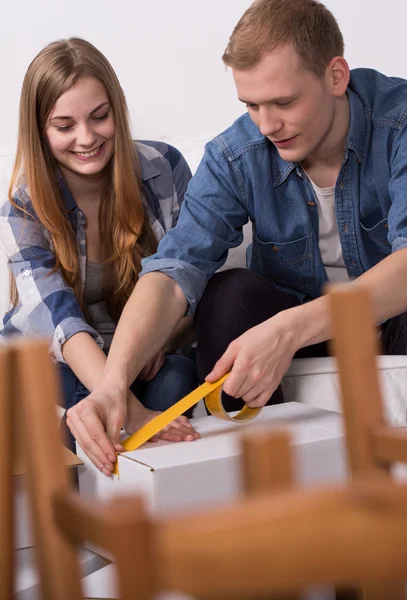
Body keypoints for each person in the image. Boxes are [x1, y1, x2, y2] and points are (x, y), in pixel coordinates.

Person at [56, 0, 407, 475]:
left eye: (283, 102)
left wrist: (288, 329)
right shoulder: (236, 154)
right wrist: (112, 383)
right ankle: (271, 490)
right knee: (225, 295)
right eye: (251, 104)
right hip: (305, 330)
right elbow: (173, 271)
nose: (266, 125)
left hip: (390, 321)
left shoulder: (399, 122)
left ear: (336, 76)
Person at [0, 38, 200, 476]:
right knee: (71, 399)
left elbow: (191, 279)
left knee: (177, 380)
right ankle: (87, 510)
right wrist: (127, 406)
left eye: (99, 117)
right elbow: (61, 324)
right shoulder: (23, 205)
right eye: (64, 125)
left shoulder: (164, 167)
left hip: (144, 356)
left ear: (117, 110)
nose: (87, 138)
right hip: (60, 360)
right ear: (40, 131)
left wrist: (152, 341)